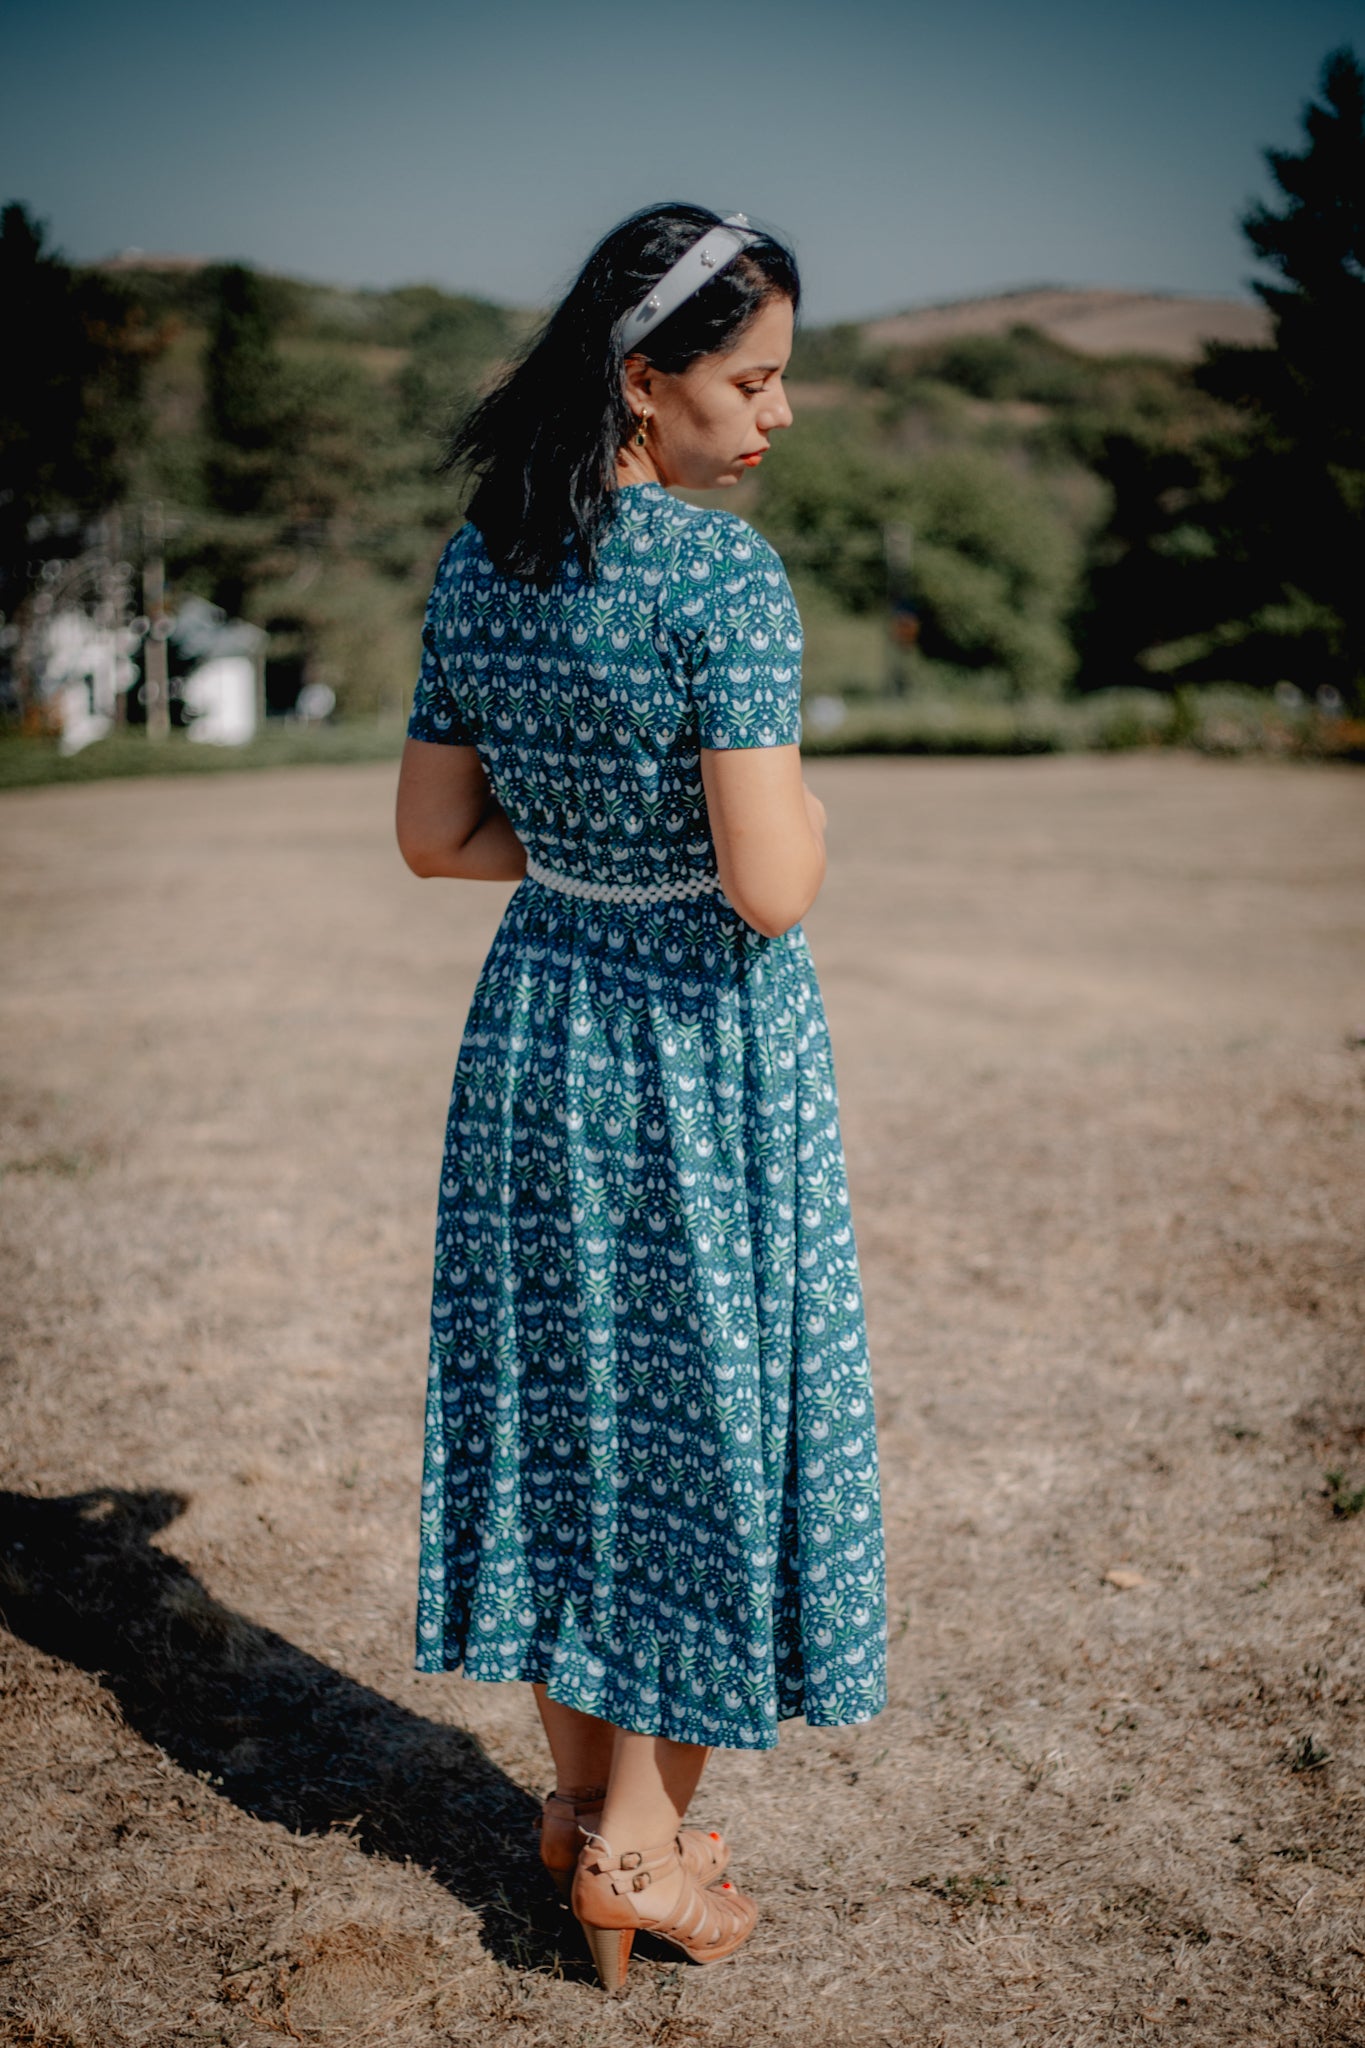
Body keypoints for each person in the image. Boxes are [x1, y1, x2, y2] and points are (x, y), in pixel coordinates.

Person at [395, 202, 887, 1990]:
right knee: (705, 1422)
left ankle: (576, 1815)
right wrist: (804, 822)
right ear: (642, 375)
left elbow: (435, 840)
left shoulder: (480, 560)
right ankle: (639, 1853)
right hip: (700, 1040)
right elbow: (772, 885)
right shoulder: (721, 582)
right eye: (750, 380)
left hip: (540, 1022)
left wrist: (597, 845)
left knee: (567, 1419)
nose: (775, 415)